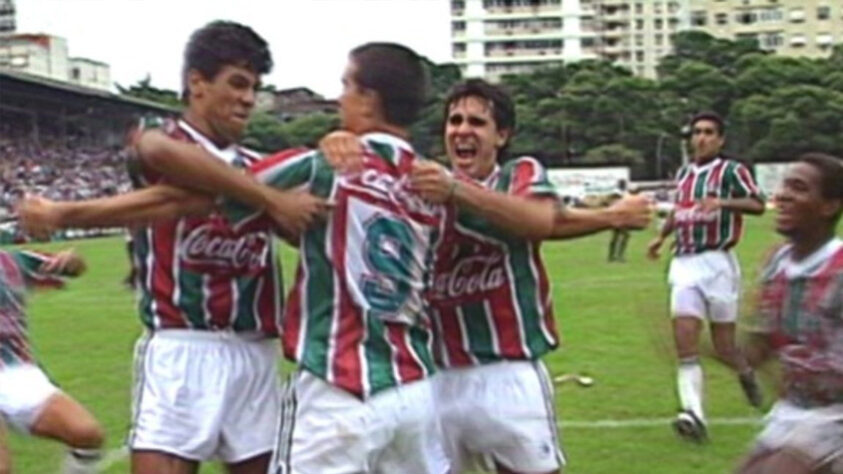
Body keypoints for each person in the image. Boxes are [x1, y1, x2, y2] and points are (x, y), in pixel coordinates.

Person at [19, 21, 322, 474]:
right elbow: (158, 157)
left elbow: (297, 231)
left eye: (254, 88)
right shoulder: (162, 140)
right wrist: (271, 198)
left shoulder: (257, 166)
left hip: (255, 349)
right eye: (237, 84)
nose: (247, 99)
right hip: (182, 346)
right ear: (196, 83)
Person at [321, 78, 652, 474]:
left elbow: (541, 221)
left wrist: (456, 190)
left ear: (502, 135)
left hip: (507, 371)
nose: (462, 130)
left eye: (477, 123)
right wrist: (342, 143)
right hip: (436, 375)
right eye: (454, 120)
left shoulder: (518, 175)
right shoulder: (423, 185)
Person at [647, 111, 765, 442]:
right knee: (685, 339)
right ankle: (692, 414)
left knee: (724, 346)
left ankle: (744, 371)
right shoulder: (685, 174)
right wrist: (661, 236)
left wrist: (723, 203)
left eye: (709, 132)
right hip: (685, 263)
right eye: (697, 132)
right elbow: (679, 209)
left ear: (721, 139)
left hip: (718, 262)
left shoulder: (730, 171)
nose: (701, 138)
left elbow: (757, 204)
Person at [737, 153, 843, 474]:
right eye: (784, 186)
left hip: (834, 415)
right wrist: (705, 348)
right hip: (794, 411)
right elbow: (759, 350)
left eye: (798, 188)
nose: (781, 195)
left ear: (829, 206)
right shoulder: (776, 263)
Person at [0, 248, 104, 474]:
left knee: (86, 434)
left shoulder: (12, 262)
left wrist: (70, 261)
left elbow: (74, 267)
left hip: (15, 371)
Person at [608, 179, 631, 262]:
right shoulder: (617, 193)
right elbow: (613, 204)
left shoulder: (624, 193)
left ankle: (612, 256)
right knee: (623, 236)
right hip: (618, 216)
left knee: (616, 236)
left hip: (622, 216)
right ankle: (619, 256)